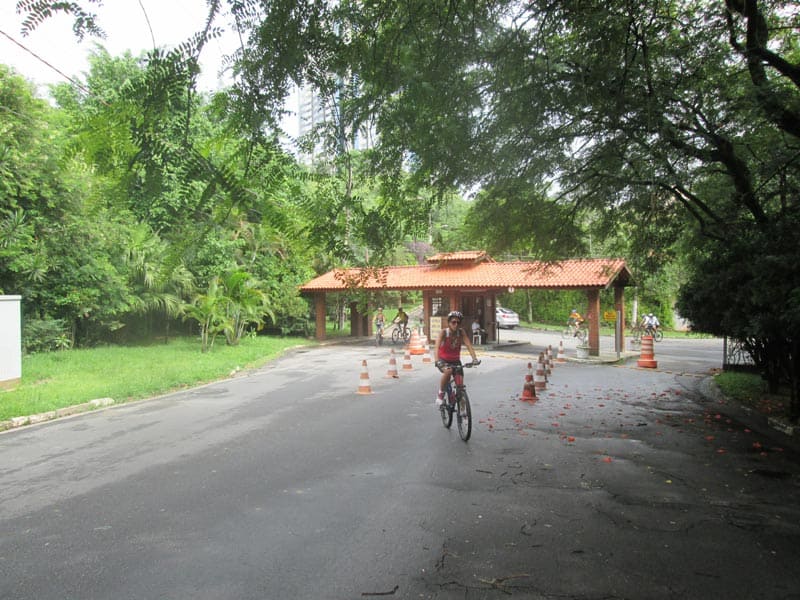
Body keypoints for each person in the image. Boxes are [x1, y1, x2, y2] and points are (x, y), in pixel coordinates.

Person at [434, 311, 478, 407]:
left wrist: (474, 359)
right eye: (453, 322)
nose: (456, 324)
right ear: (449, 323)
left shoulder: (461, 332)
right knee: (448, 371)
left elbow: (468, 345)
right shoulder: (444, 332)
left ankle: (462, 410)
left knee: (460, 386)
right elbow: (436, 347)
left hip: (456, 361)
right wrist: (437, 361)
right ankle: (441, 393)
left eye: (458, 322)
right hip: (443, 361)